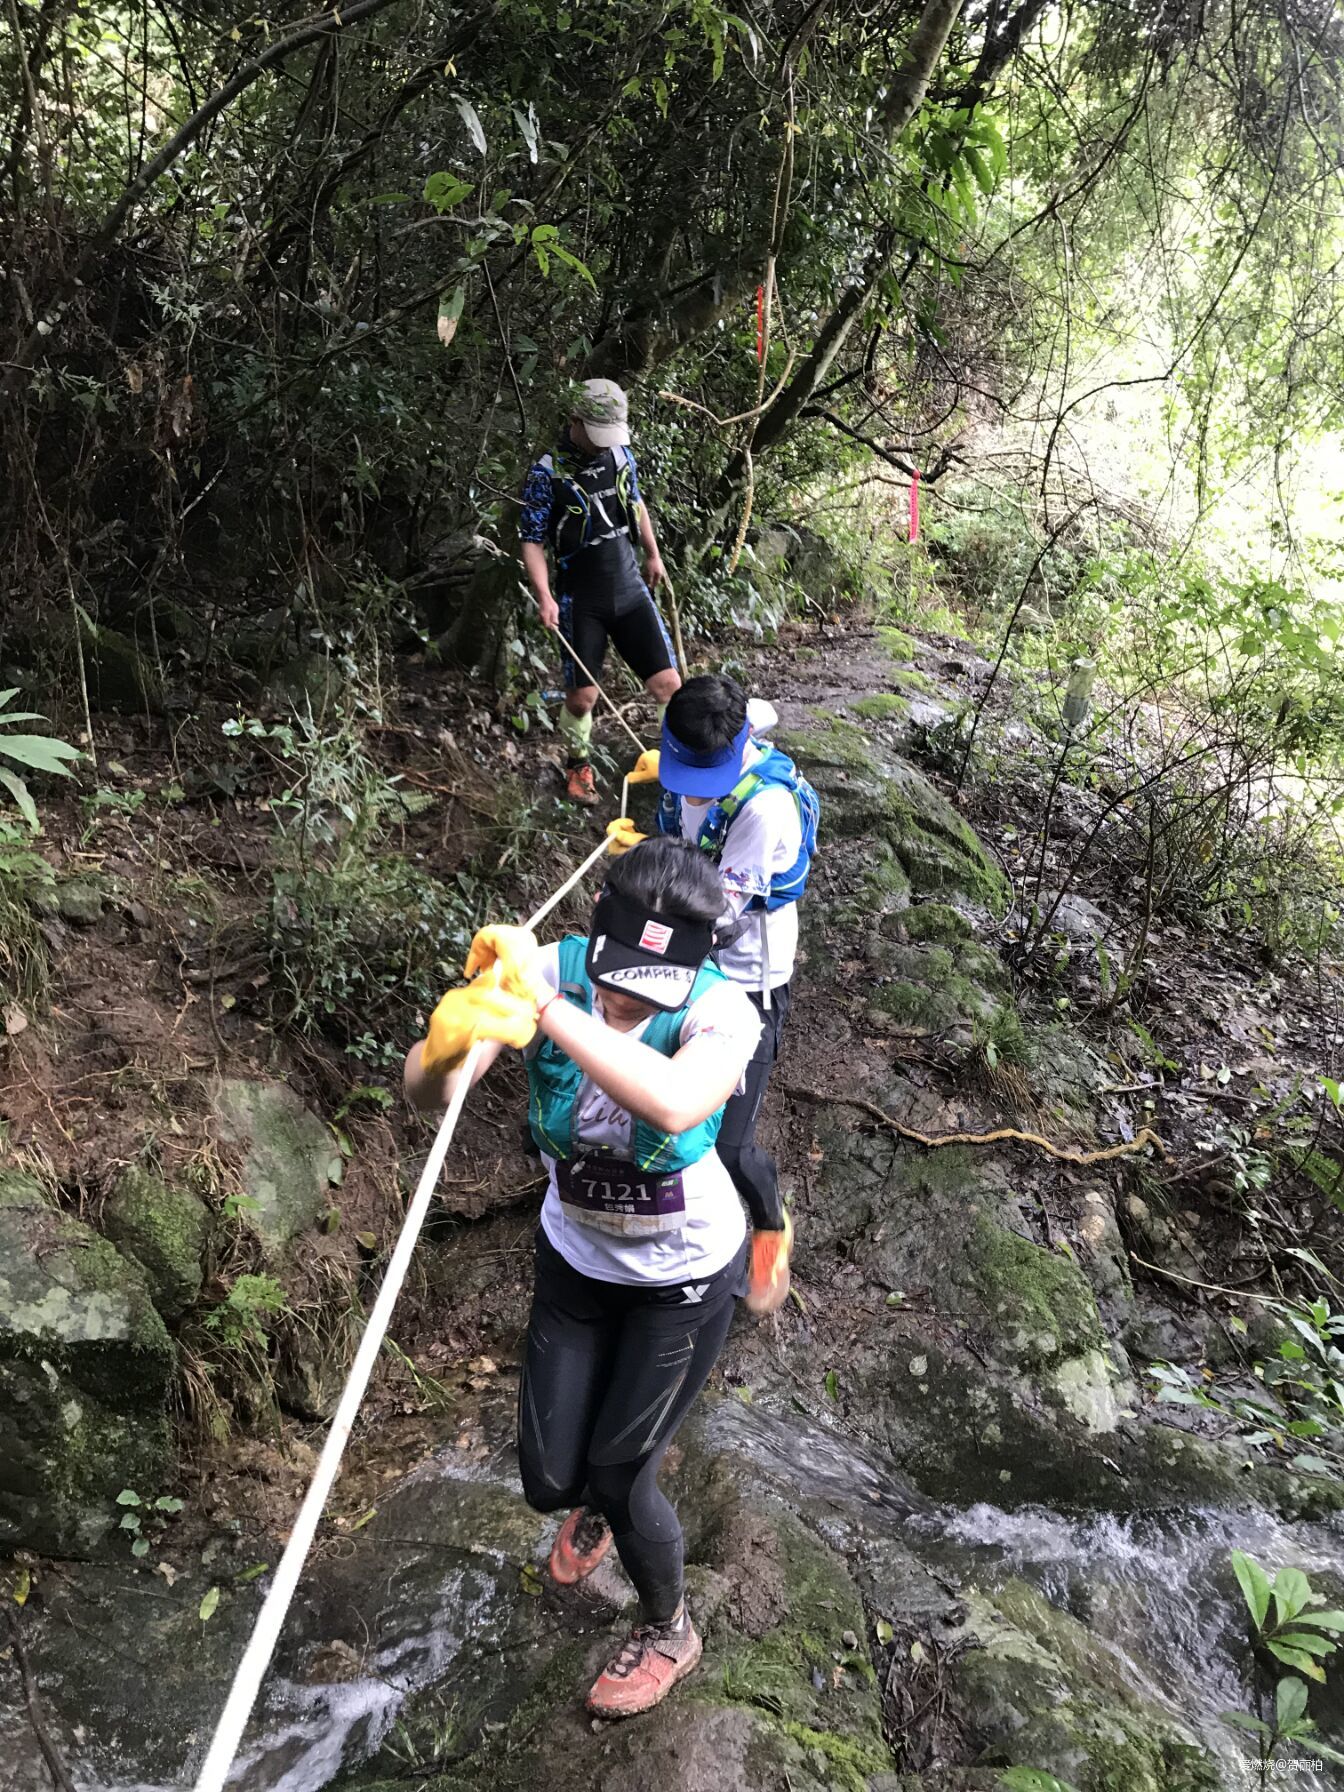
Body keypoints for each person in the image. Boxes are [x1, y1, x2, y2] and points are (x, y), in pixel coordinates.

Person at [404, 836, 761, 1718]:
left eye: (644, 989)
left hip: (681, 1278)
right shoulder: (552, 965)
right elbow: (428, 1095)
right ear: (596, 940)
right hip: (576, 1259)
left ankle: (671, 1628)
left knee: (620, 1476)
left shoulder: (727, 1015)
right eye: (608, 977)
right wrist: (449, 1042)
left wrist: (551, 1010)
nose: (618, 998)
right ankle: (596, 1498)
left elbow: (676, 1103)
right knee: (545, 1479)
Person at [651, 674, 818, 1315]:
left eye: (702, 775)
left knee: (727, 1141)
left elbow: (722, 918)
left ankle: (771, 1231)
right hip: (690, 970)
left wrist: (643, 906)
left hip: (749, 982)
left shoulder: (762, 807)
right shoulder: (702, 727)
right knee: (672, 1114)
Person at [519, 378, 681, 806]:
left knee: (669, 685)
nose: (602, 445)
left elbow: (637, 501)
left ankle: (677, 768)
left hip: (629, 588)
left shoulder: (620, 454)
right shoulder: (547, 472)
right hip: (581, 599)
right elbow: (532, 539)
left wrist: (653, 554)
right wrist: (545, 595)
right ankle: (578, 763)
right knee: (582, 697)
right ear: (574, 421)